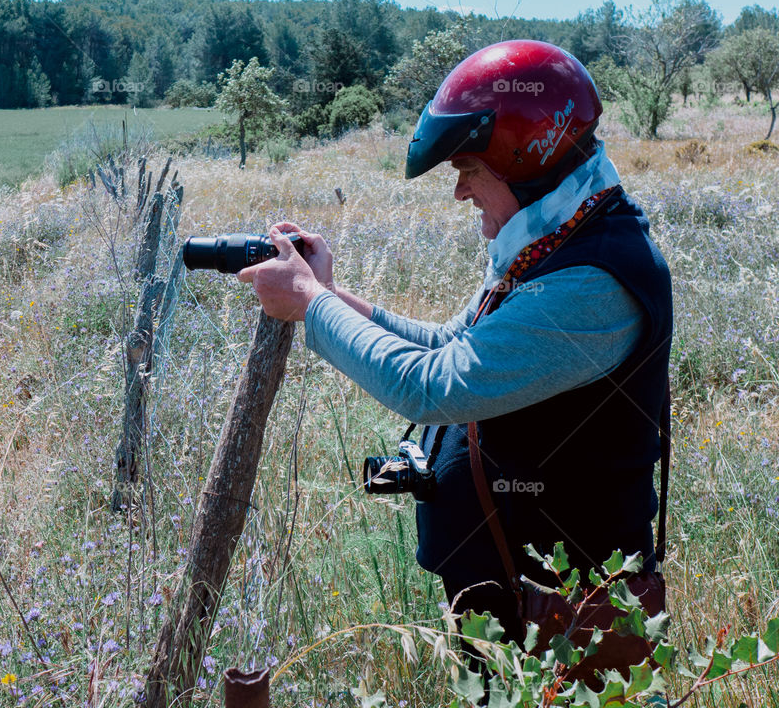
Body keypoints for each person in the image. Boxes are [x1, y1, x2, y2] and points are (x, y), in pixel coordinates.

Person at [237, 40, 672, 645]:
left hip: (571, 626)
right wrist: (332, 293)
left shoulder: (593, 281)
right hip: (523, 603)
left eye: (469, 169)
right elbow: (449, 343)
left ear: (524, 159)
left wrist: (312, 304)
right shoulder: (556, 243)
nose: (460, 191)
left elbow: (434, 384)